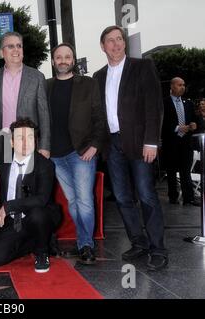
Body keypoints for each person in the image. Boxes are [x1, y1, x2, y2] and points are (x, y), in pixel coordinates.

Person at [93, 25, 168, 271]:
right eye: (110, 41)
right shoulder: (98, 76)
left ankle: (158, 249)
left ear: (124, 43)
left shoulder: (142, 67)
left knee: (146, 194)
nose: (115, 44)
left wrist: (151, 141)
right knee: (123, 197)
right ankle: (139, 242)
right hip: (112, 145)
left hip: (139, 143)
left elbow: (153, 106)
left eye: (119, 40)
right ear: (102, 46)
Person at [47, 43, 108, 264]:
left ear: (73, 60)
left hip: (81, 152)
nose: (63, 60)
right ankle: (83, 242)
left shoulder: (88, 84)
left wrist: (94, 145)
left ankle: (86, 245)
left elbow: (99, 118)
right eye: (59, 57)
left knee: (84, 201)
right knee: (73, 201)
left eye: (67, 57)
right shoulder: (46, 86)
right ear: (53, 61)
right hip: (55, 155)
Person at [0, 118, 62, 273]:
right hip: (13, 221)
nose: (25, 142)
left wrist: (8, 206)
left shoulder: (45, 164)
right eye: (20, 138)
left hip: (40, 216)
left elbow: (41, 199)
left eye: (30, 137)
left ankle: (42, 252)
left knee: (37, 214)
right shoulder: (2, 164)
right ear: (12, 142)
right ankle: (36, 242)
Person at [0, 32, 51, 159]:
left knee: (28, 178)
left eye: (19, 46)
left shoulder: (37, 77)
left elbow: (44, 114)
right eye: (10, 46)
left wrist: (44, 146)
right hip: (1, 144)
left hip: (28, 143)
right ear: (1, 52)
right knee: (5, 179)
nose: (16, 49)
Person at [162, 77, 201, 206]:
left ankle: (188, 198)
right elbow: (161, 123)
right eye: (179, 85)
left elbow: (194, 119)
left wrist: (195, 124)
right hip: (171, 143)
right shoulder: (164, 103)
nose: (183, 87)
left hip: (186, 143)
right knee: (171, 172)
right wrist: (177, 128)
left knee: (185, 171)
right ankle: (173, 197)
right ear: (172, 86)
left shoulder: (188, 103)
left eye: (184, 85)